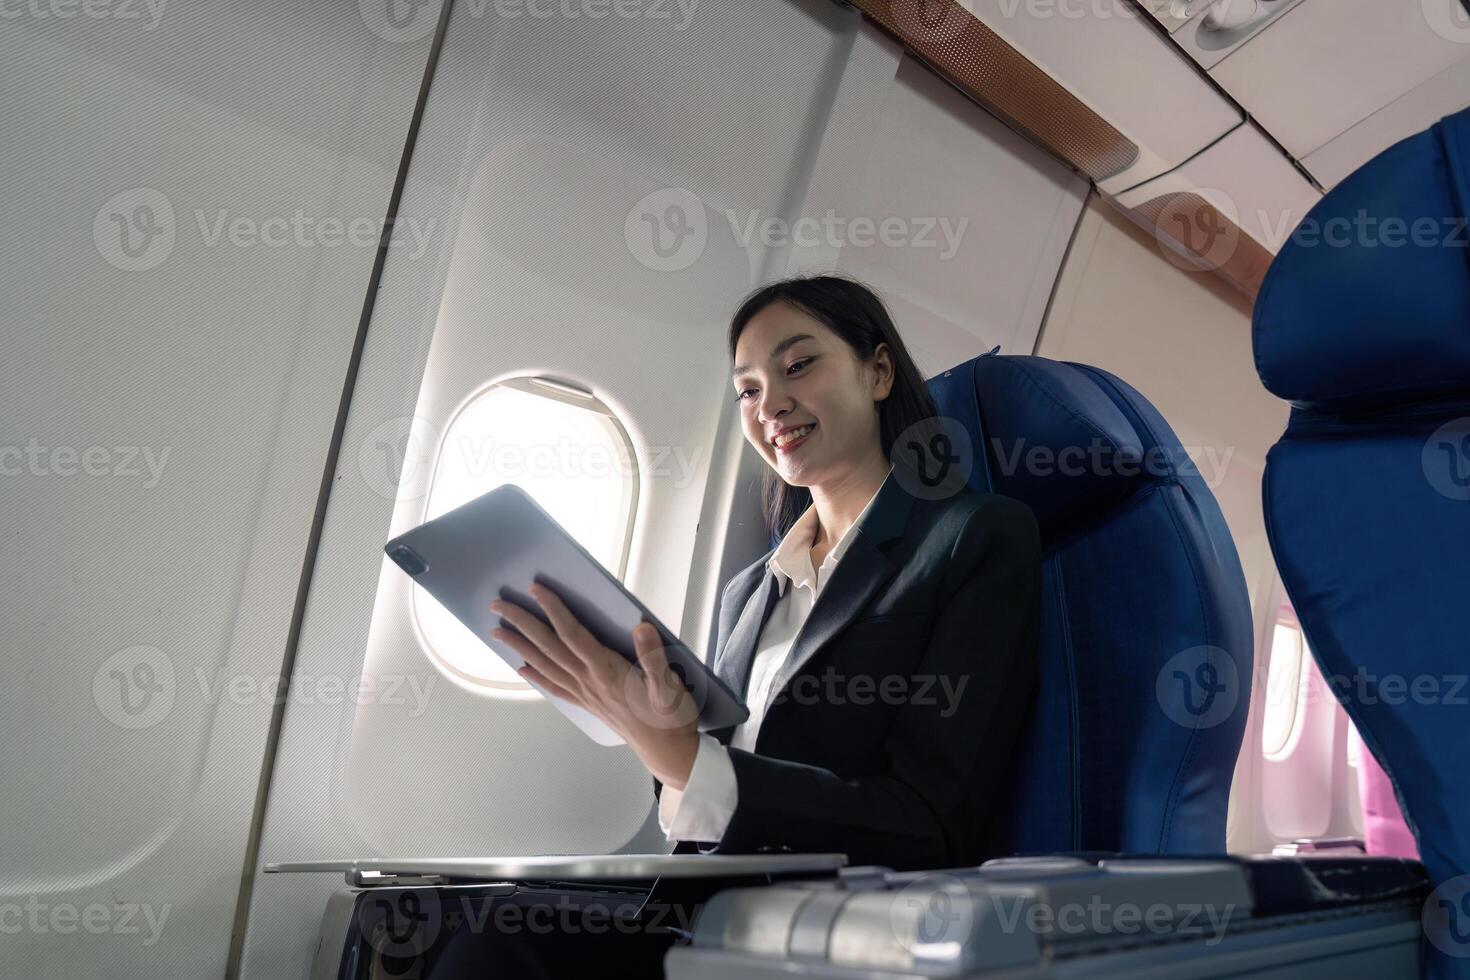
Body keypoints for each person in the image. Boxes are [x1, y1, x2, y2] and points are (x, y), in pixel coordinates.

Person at [490, 273, 1042, 874]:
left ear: (879, 372)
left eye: (799, 365)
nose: (771, 404)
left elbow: (930, 823)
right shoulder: (749, 590)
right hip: (709, 901)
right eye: (748, 391)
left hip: (837, 929)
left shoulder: (974, 537)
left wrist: (688, 764)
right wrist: (668, 743)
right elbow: (707, 802)